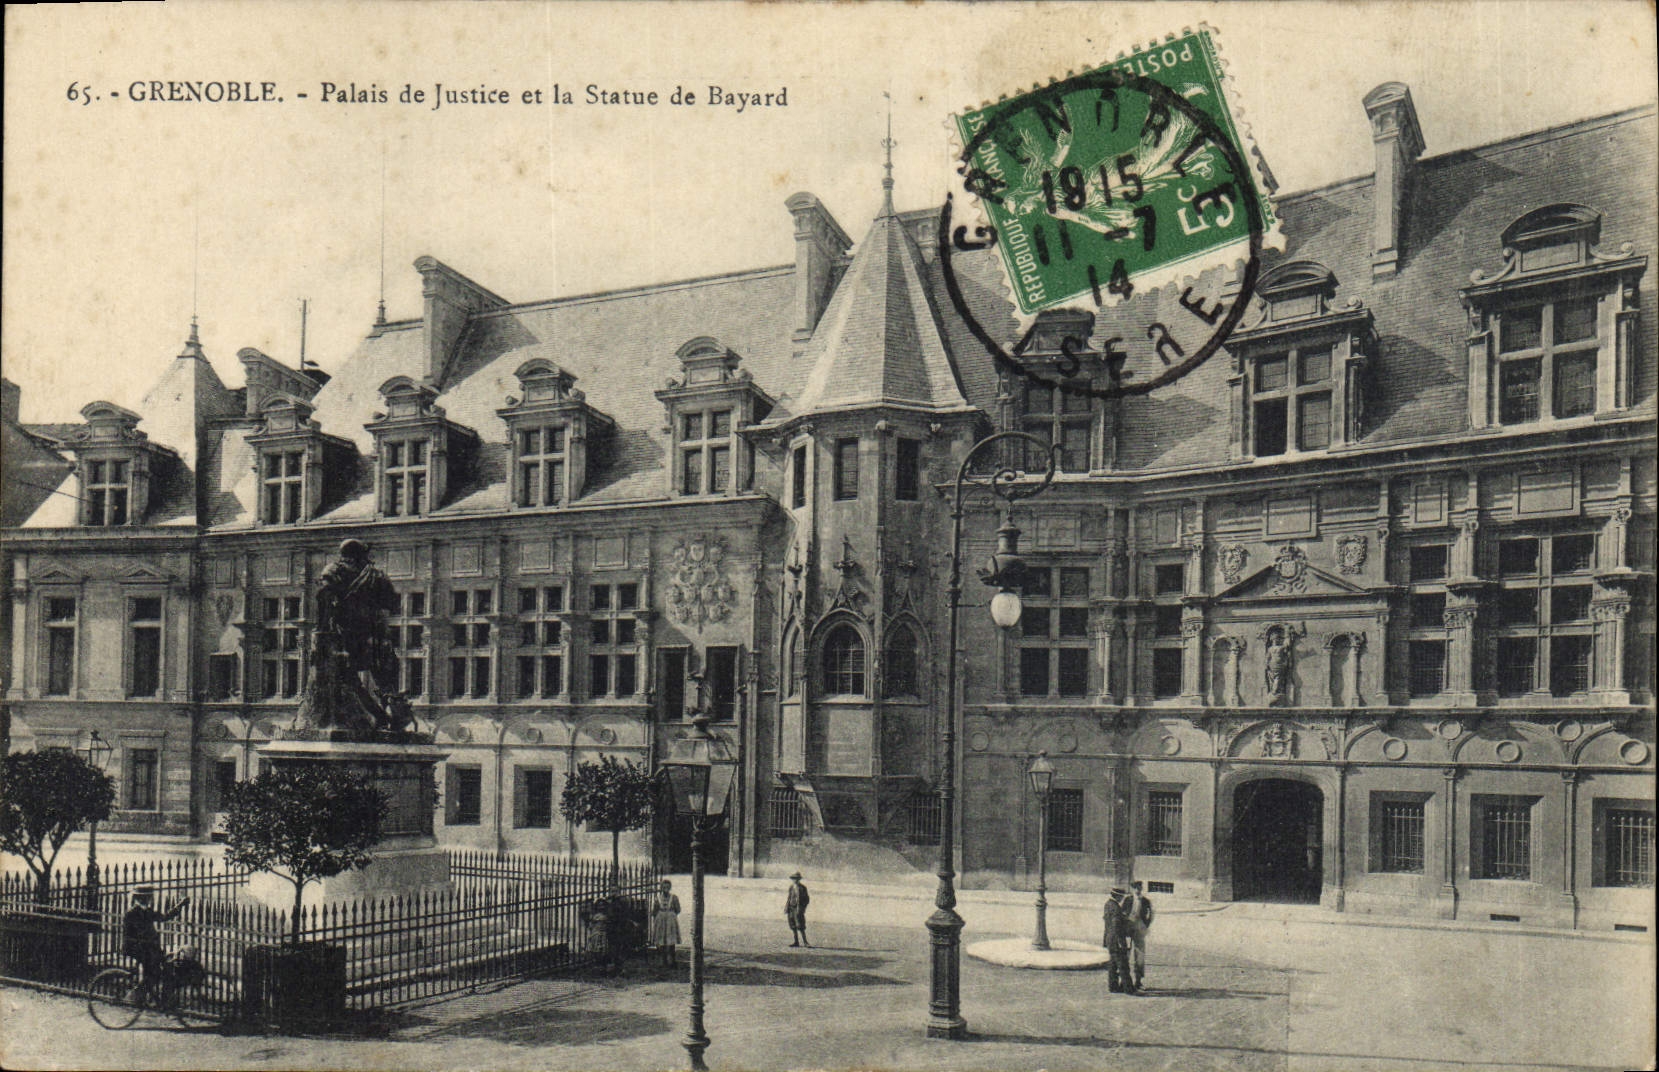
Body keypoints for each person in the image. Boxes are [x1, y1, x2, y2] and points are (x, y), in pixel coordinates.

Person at [122, 887, 188, 1000]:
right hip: (136, 948)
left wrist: (180, 905)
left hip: (148, 948)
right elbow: (133, 935)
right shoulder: (131, 914)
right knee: (154, 972)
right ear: (140, 899)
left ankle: (154, 997)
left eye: (148, 898)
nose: (148, 901)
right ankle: (136, 996)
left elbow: (164, 917)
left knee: (164, 968)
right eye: (146, 898)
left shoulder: (147, 911)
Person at [1101, 887, 1136, 994]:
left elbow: (1107, 924)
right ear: (1117, 896)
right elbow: (1116, 925)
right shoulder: (1115, 908)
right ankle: (1128, 988)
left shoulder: (1107, 904)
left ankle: (1113, 986)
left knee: (1113, 964)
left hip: (1110, 940)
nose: (1122, 899)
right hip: (1117, 941)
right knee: (1123, 965)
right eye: (1121, 897)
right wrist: (1121, 942)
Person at [1125, 880, 1156, 991]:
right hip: (1128, 929)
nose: (1137, 890)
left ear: (1141, 889)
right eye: (1135, 888)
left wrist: (1146, 924)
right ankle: (1124, 980)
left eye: (1139, 888)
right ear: (1132, 889)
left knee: (1140, 955)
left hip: (1139, 928)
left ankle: (1138, 981)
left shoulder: (1146, 901)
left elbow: (1152, 914)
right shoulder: (1127, 900)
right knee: (1126, 954)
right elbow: (1122, 913)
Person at [650, 880, 682, 968]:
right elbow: (654, 910)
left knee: (671, 941)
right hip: (661, 920)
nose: (666, 889)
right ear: (661, 888)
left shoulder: (674, 897)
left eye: (667, 887)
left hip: (670, 920)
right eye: (664, 887)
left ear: (670, 888)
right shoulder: (658, 898)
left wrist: (671, 914)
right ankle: (663, 961)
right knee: (661, 941)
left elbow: (678, 909)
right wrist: (657, 917)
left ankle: (672, 961)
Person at [785, 872, 811, 947]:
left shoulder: (802, 888)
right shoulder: (791, 887)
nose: (795, 880)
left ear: (799, 879)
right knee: (793, 925)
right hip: (791, 908)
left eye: (796, 879)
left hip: (798, 909)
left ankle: (805, 942)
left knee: (800, 926)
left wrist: (802, 908)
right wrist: (787, 907)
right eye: (793, 879)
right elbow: (789, 898)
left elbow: (807, 899)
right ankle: (796, 942)